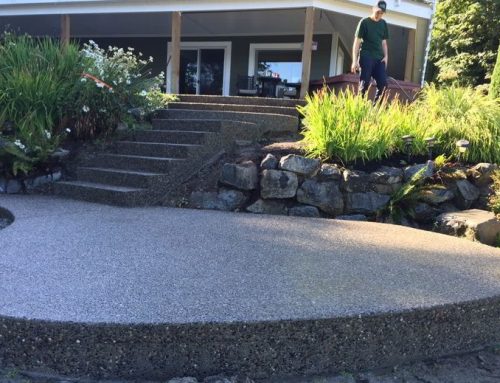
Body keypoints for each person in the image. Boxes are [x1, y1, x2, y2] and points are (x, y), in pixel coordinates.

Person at [351, 1, 389, 102]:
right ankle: (360, 107)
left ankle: (376, 109)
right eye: (378, 12)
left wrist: (386, 56)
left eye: (381, 13)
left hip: (379, 59)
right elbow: (356, 43)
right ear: (373, 9)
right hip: (366, 56)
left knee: (383, 84)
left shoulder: (383, 24)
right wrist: (354, 61)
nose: (379, 15)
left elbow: (384, 43)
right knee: (365, 84)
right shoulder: (364, 22)